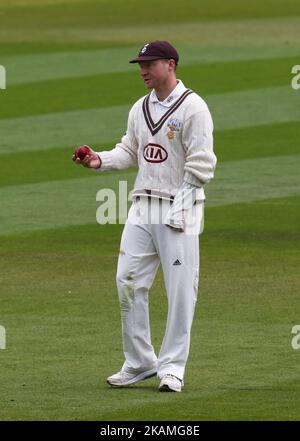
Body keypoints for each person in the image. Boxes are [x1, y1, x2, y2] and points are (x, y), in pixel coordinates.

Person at [72, 41, 217, 392]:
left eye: (150, 64)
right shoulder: (140, 107)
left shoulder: (194, 108)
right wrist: (98, 160)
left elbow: (203, 163)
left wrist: (182, 206)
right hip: (142, 206)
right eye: (141, 64)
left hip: (179, 207)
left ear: (171, 64)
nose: (143, 70)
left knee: (181, 290)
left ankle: (173, 368)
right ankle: (140, 361)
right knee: (128, 281)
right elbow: (130, 150)